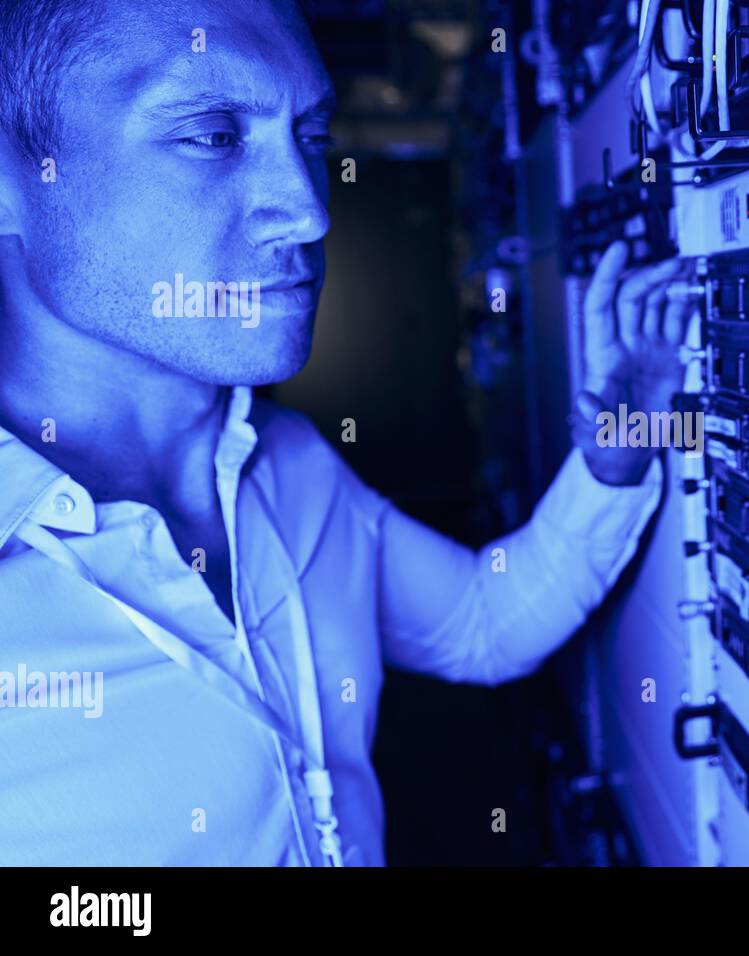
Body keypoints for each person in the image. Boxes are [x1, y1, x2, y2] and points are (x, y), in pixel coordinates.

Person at [0, 0, 694, 865]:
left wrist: (621, 438)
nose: (310, 212)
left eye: (313, 137)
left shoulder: (288, 468)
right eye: (214, 133)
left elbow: (484, 624)